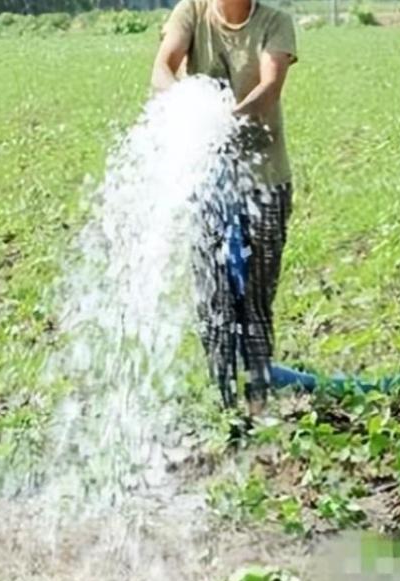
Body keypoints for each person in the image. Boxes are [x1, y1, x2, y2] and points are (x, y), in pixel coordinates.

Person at [151, 0, 298, 416]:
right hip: (209, 183)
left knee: (254, 300)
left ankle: (257, 403)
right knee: (213, 299)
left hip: (265, 181)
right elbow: (163, 69)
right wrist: (185, 104)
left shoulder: (275, 23)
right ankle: (224, 404)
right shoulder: (191, 13)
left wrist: (225, 119)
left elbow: (270, 86)